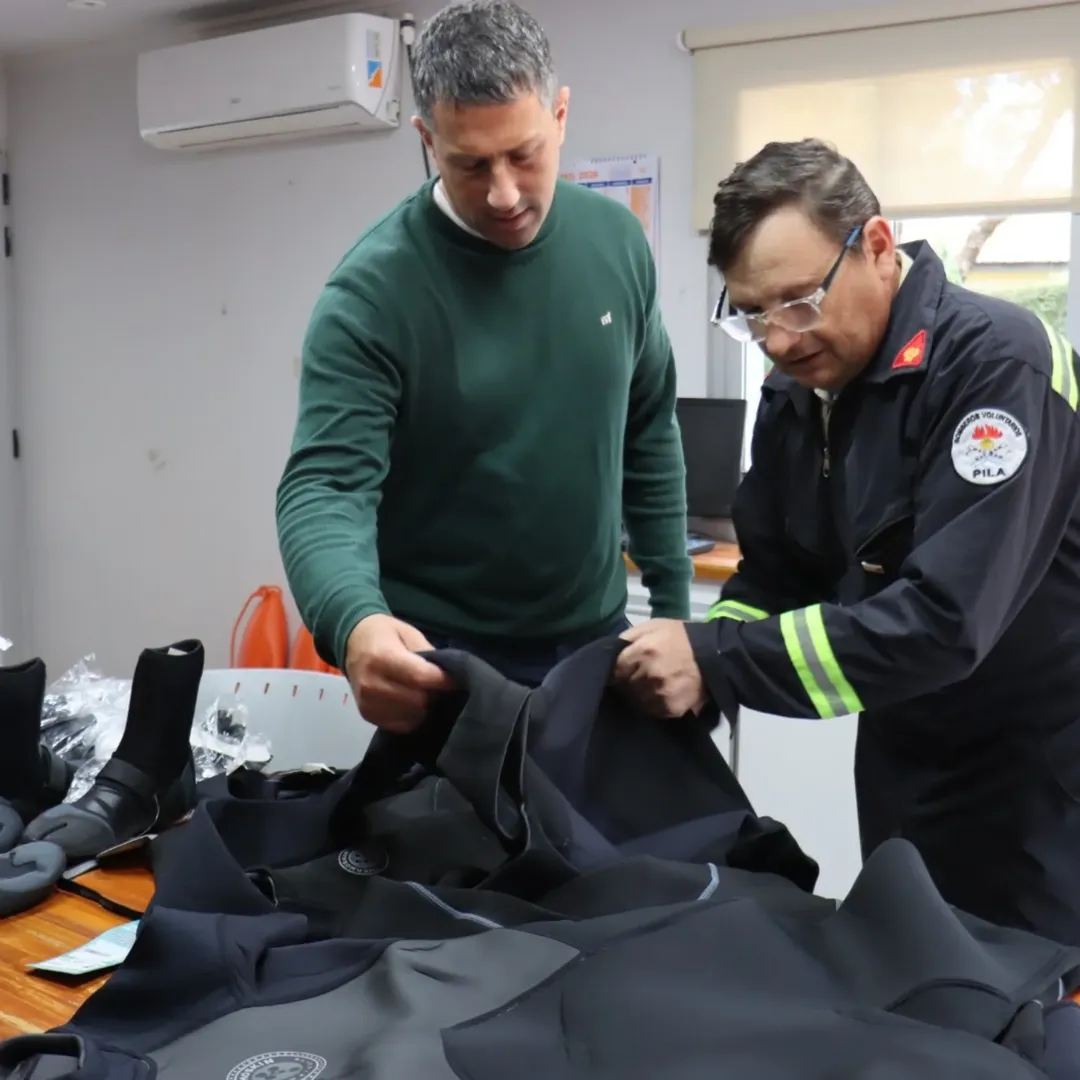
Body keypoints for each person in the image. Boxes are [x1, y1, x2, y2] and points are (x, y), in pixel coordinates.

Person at [613, 137, 1080, 946]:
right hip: (902, 757)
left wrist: (719, 661)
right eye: (752, 315)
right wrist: (699, 668)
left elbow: (944, 622)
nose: (779, 339)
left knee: (1027, 1004)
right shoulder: (802, 386)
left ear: (877, 245)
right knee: (907, 974)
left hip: (1037, 779)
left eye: (797, 302)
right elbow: (777, 574)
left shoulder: (998, 364)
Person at [276, 0, 691, 734]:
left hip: (595, 643)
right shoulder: (371, 295)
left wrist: (674, 612)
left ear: (560, 116)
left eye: (524, 154)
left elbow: (649, 426)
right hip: (444, 662)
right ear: (426, 140)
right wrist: (356, 622)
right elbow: (327, 486)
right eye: (471, 164)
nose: (505, 194)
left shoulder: (618, 244)